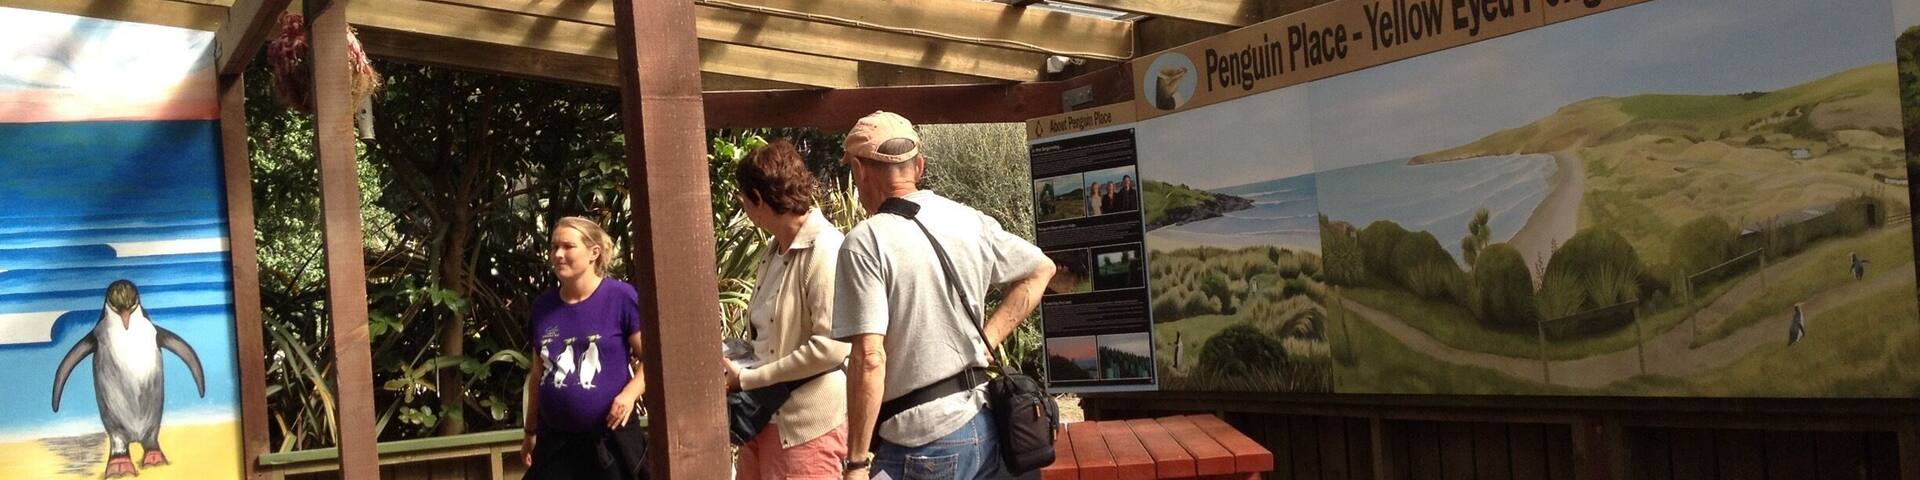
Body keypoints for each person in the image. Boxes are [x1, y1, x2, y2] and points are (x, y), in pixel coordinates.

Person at [832, 111, 1055, 480]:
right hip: (982, 425)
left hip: (920, 441)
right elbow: (1040, 268)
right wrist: (991, 337)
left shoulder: (866, 242)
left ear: (859, 170)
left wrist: (856, 462)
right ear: (918, 166)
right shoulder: (968, 220)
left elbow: (870, 358)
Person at [727, 139, 854, 480]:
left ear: (757, 198)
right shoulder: (775, 248)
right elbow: (770, 338)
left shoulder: (825, 250)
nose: (743, 207)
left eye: (743, 199)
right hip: (763, 419)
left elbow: (831, 347)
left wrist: (748, 378)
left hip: (805, 427)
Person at [522, 216, 649, 480]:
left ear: (594, 253)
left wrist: (628, 396)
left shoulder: (620, 297)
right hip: (556, 446)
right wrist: (529, 432)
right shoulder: (542, 307)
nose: (558, 254)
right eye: (554, 247)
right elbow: (537, 373)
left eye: (568, 247)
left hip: (609, 441)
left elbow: (652, 363)